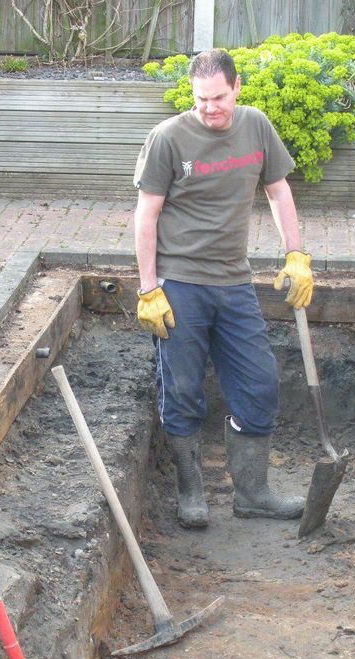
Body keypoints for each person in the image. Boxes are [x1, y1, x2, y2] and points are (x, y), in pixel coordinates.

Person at [133, 48, 313, 529]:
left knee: (258, 382)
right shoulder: (167, 138)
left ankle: (253, 493)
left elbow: (278, 192)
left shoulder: (256, 127)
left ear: (236, 87)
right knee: (184, 387)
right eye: (200, 99)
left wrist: (296, 255)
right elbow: (146, 214)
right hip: (181, 282)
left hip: (234, 281)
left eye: (217, 97)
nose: (209, 107)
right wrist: (148, 288)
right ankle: (191, 492)